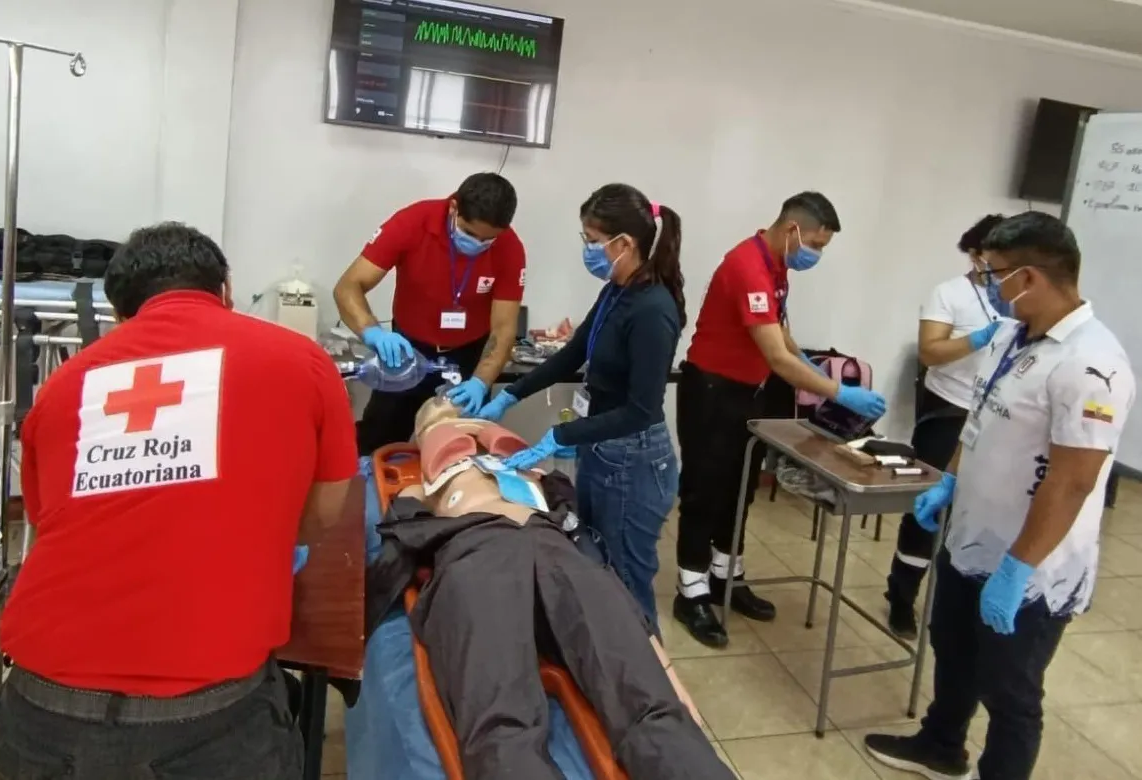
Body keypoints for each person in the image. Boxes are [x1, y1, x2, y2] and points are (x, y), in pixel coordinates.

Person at [0, 223, 358, 779]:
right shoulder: (298, 358)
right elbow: (324, 513)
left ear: (119, 314)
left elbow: (49, 523)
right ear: (226, 289)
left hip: (39, 711)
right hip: (204, 721)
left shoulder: (65, 385)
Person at [865, 212, 1135, 780]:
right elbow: (978, 421)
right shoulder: (1011, 336)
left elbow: (1074, 480)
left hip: (1033, 567)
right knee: (953, 650)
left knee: (1009, 689)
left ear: (1029, 277)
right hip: (971, 539)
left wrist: (1018, 568)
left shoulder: (1092, 363)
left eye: (994, 274)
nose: (986, 284)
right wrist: (949, 480)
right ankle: (942, 747)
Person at [365, 395, 734, 780]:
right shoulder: (426, 484)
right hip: (478, 547)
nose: (456, 417)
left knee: (652, 708)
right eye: (439, 415)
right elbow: (401, 537)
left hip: (553, 547)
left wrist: (659, 659)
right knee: (502, 727)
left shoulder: (533, 471)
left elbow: (579, 531)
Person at [672, 192, 888, 649]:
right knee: (704, 492)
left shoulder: (775, 265)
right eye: (816, 244)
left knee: (740, 489)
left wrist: (805, 360)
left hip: (748, 392)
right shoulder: (747, 266)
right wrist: (838, 391)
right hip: (712, 392)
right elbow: (774, 354)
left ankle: (726, 576)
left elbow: (778, 332)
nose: (816, 254)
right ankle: (690, 592)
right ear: (792, 229)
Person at [476, 184, 684, 629]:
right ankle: (607, 657)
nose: (587, 249)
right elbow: (574, 353)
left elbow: (641, 410)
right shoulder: (618, 290)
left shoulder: (653, 309)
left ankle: (645, 666)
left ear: (624, 243)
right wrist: (512, 394)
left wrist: (559, 435)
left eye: (593, 240)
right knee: (596, 563)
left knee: (625, 584)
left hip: (634, 459)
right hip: (603, 447)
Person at [333, 173, 526, 454]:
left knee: (461, 450)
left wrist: (480, 382)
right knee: (380, 437)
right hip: (407, 349)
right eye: (470, 234)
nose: (477, 244)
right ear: (454, 208)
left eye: (487, 240)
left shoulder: (509, 247)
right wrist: (372, 332)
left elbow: (504, 329)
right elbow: (348, 286)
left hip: (468, 355)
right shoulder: (413, 222)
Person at [885, 214, 1006, 639]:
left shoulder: (1016, 297)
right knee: (929, 509)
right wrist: (978, 338)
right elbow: (931, 352)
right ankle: (901, 596)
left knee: (977, 513)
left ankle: (958, 600)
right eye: (994, 255)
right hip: (949, 410)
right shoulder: (950, 293)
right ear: (975, 254)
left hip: (996, 415)